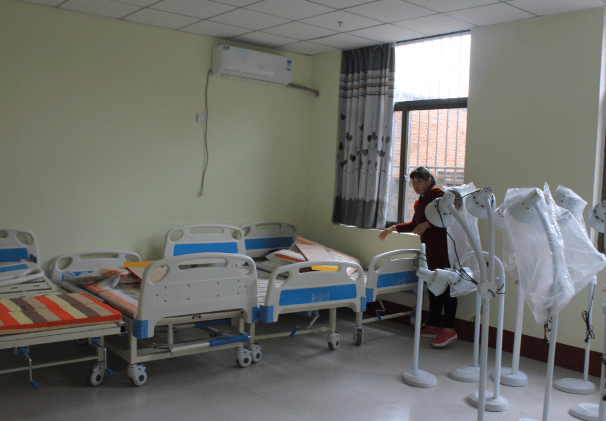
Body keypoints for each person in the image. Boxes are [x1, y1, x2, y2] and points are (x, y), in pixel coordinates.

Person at [378, 167, 458, 347]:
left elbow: (449, 216)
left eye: (419, 182)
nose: (415, 185)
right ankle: (433, 326)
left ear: (429, 180)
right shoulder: (419, 202)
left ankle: (449, 330)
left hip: (445, 250)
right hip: (429, 251)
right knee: (433, 288)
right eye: (413, 182)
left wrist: (428, 225)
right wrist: (392, 228)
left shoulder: (437, 194)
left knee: (447, 289)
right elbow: (415, 224)